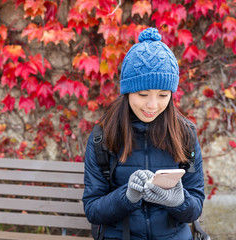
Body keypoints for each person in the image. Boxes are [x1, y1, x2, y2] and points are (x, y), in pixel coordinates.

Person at [82, 27, 205, 240]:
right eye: (143, 94)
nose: (153, 105)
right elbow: (93, 210)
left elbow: (195, 208)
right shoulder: (102, 137)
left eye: (163, 95)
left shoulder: (185, 134)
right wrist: (126, 196)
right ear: (128, 91)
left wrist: (179, 201)